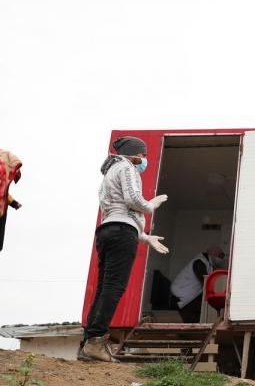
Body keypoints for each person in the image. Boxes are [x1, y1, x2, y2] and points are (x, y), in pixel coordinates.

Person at [81, 136, 169, 361]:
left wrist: (145, 237)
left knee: (103, 288)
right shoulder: (127, 167)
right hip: (122, 233)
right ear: (133, 154)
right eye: (142, 155)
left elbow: (118, 212)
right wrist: (151, 205)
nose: (143, 159)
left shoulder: (109, 174)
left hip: (108, 231)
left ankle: (88, 342)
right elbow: (132, 200)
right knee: (114, 287)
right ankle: (96, 341)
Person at [171, 245, 227, 323]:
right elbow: (205, 282)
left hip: (189, 296)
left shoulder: (208, 263)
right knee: (207, 309)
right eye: (221, 256)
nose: (221, 259)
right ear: (213, 254)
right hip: (182, 296)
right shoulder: (199, 262)